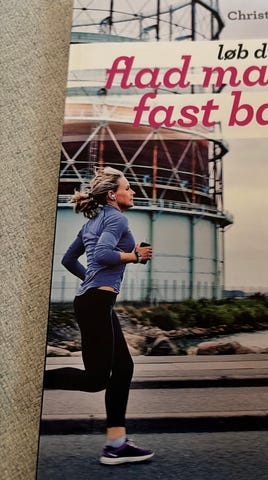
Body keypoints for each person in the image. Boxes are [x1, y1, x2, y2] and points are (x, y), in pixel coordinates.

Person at [43, 166, 154, 465]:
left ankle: (116, 444)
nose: (132, 191)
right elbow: (104, 254)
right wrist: (134, 256)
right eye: (127, 187)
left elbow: (69, 259)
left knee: (124, 368)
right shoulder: (116, 218)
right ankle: (30, 382)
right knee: (95, 379)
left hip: (94, 301)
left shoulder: (93, 221)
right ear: (112, 195)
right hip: (95, 303)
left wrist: (90, 279)